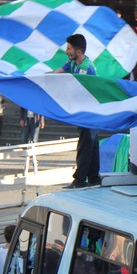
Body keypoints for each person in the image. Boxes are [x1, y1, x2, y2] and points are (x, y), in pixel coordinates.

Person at [53, 34, 100, 189]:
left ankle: (79, 180)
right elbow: (56, 73)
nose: (66, 51)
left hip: (90, 112)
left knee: (85, 145)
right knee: (91, 145)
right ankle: (93, 178)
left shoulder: (85, 69)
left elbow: (77, 90)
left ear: (78, 51)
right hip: (84, 111)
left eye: (69, 48)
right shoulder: (72, 62)